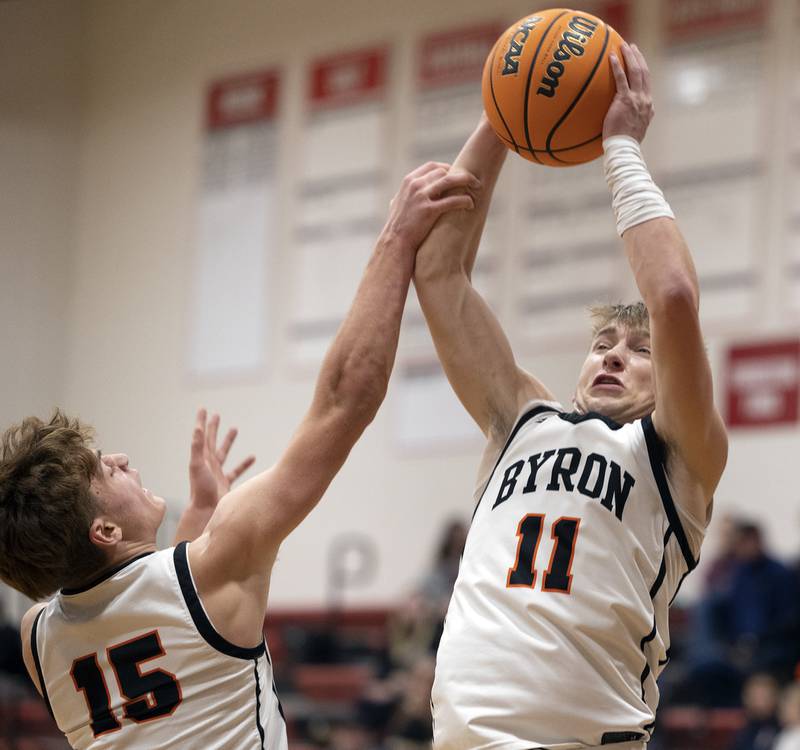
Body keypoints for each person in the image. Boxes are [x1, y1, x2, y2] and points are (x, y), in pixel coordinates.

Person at [0, 161, 478, 750]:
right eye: (103, 469)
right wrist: (396, 238)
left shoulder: (35, 638)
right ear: (102, 528)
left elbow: (154, 623)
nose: (120, 458)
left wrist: (199, 516)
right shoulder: (220, 557)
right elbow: (344, 402)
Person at [413, 43, 728, 749]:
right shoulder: (519, 418)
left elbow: (672, 294)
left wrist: (619, 146)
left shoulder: (678, 454)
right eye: (603, 345)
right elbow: (438, 274)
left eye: (640, 351)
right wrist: (503, 112)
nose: (616, 355)